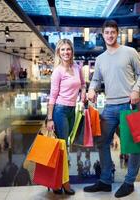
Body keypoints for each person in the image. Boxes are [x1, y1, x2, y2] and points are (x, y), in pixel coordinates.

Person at [84, 20, 140, 198]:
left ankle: (129, 182)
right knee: (102, 142)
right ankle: (105, 181)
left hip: (130, 105)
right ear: (102, 35)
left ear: (117, 33)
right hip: (110, 106)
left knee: (134, 146)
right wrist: (91, 89)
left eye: (113, 32)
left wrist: (136, 89)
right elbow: (96, 79)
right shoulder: (100, 59)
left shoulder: (130, 52)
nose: (110, 35)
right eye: (107, 33)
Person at [47, 38, 86, 196]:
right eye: (62, 49)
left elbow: (83, 84)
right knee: (62, 148)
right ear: (58, 52)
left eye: (68, 49)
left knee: (65, 147)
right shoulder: (58, 71)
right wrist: (49, 118)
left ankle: (58, 181)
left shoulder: (77, 67)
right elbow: (52, 96)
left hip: (72, 111)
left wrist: (83, 93)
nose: (65, 52)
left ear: (72, 51)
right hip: (60, 111)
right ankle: (64, 183)